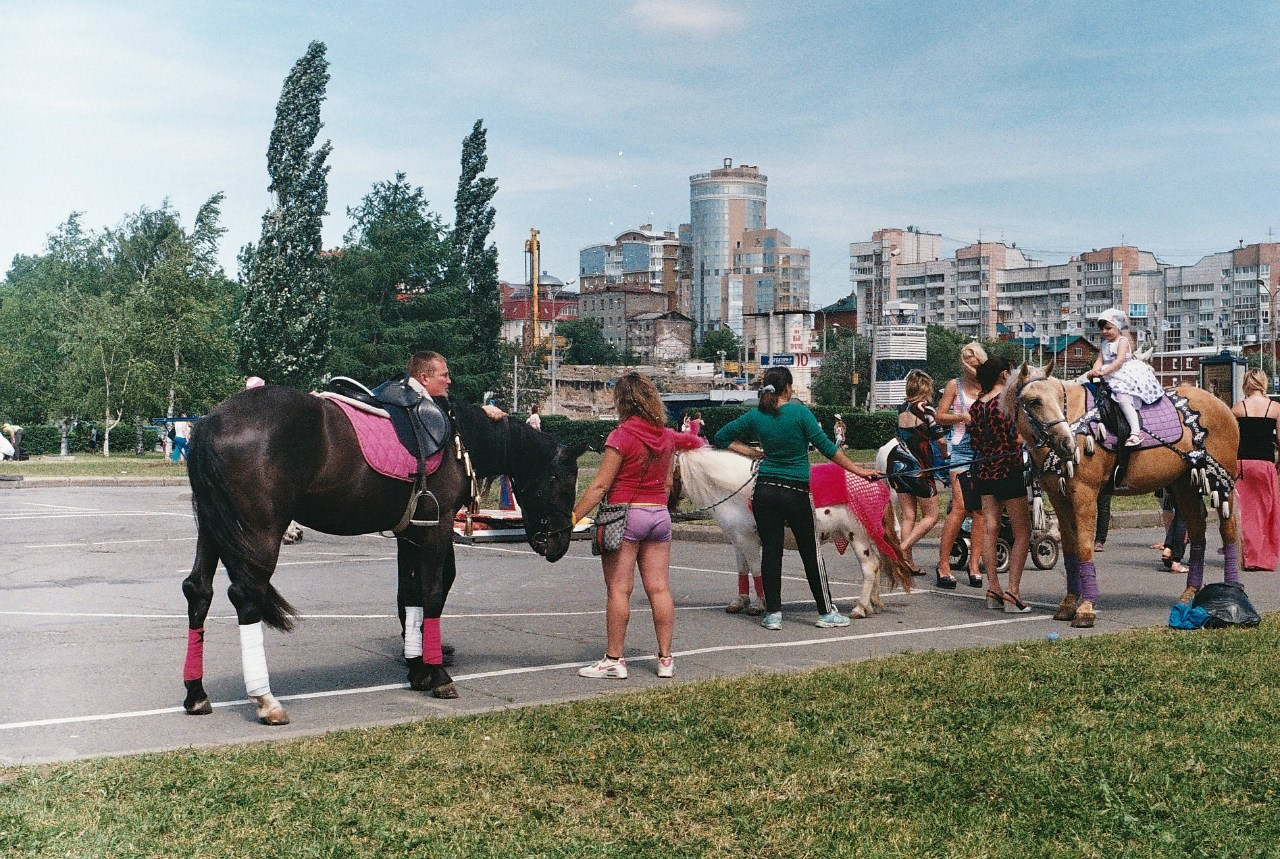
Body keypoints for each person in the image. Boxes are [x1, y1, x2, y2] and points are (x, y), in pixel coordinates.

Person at [713, 366, 881, 631]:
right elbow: (828, 449)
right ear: (788, 388)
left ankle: (773, 614)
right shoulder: (801, 413)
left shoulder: (757, 415)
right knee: (811, 552)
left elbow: (720, 437)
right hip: (795, 490)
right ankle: (825, 612)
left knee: (771, 552)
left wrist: (752, 453)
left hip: (765, 490)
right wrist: (859, 471)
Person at [572, 373, 699, 679]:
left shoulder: (621, 436)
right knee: (659, 588)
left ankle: (614, 659)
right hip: (659, 515)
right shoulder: (666, 437)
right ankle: (665, 659)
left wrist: (573, 517)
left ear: (622, 402)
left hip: (625, 514)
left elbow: (600, 486)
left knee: (619, 589)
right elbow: (668, 483)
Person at [967, 356, 1033, 613]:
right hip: (1008, 469)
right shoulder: (1005, 402)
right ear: (1004, 374)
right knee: (1022, 531)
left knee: (989, 529)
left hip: (984, 470)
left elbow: (974, 441)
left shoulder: (976, 406)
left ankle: (993, 587)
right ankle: (1013, 591)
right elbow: (1016, 438)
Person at [935, 342, 986, 589]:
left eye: (975, 364)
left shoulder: (989, 386)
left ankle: (974, 564)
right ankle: (943, 564)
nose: (971, 369)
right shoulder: (954, 385)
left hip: (984, 451)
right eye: (967, 364)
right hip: (961, 450)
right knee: (959, 507)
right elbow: (939, 416)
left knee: (980, 511)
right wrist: (960, 417)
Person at [892, 369, 948, 580]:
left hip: (898, 465)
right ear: (926, 388)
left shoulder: (902, 408)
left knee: (908, 516)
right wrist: (945, 453)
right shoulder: (926, 409)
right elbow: (940, 439)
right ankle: (902, 549)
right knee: (932, 516)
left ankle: (907, 563)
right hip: (919, 466)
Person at [1090, 309, 1163, 447]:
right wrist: (1094, 370)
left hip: (1123, 374)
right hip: (1108, 374)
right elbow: (1100, 360)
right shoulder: (1104, 344)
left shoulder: (1122, 341)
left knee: (1123, 399)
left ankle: (1136, 432)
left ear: (1118, 327)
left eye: (1108, 328)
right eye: (1102, 329)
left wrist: (1103, 372)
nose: (1104, 331)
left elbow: (1119, 361)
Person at [1231, 368, 1280, 571]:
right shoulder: (1275, 408)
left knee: (1245, 511)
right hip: (1265, 463)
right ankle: (1263, 557)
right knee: (1267, 510)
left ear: (1246, 384)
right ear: (1263, 383)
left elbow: (1231, 440)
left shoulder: (1238, 408)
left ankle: (1247, 556)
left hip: (1242, 463)